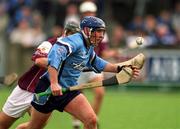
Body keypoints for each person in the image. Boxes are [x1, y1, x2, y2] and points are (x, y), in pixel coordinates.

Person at [24, 16, 140, 129]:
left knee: (91, 120)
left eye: (102, 32)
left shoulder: (89, 46)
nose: (101, 36)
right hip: (48, 89)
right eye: (98, 31)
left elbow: (98, 63)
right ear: (87, 30)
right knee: (34, 127)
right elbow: (55, 56)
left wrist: (120, 68)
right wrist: (54, 83)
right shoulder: (75, 41)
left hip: (68, 90)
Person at [0, 22, 80, 129]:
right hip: (26, 90)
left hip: (44, 93)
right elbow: (39, 61)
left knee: (35, 127)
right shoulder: (50, 44)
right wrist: (59, 66)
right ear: (66, 32)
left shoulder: (75, 52)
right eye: (73, 35)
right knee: (3, 124)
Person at [73, 2, 110, 129]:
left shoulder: (100, 27)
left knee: (100, 93)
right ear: (82, 14)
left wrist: (112, 52)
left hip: (94, 67)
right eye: (87, 13)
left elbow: (104, 51)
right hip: (78, 68)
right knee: (76, 96)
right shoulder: (76, 28)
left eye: (91, 12)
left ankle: (92, 118)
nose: (89, 14)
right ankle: (77, 122)